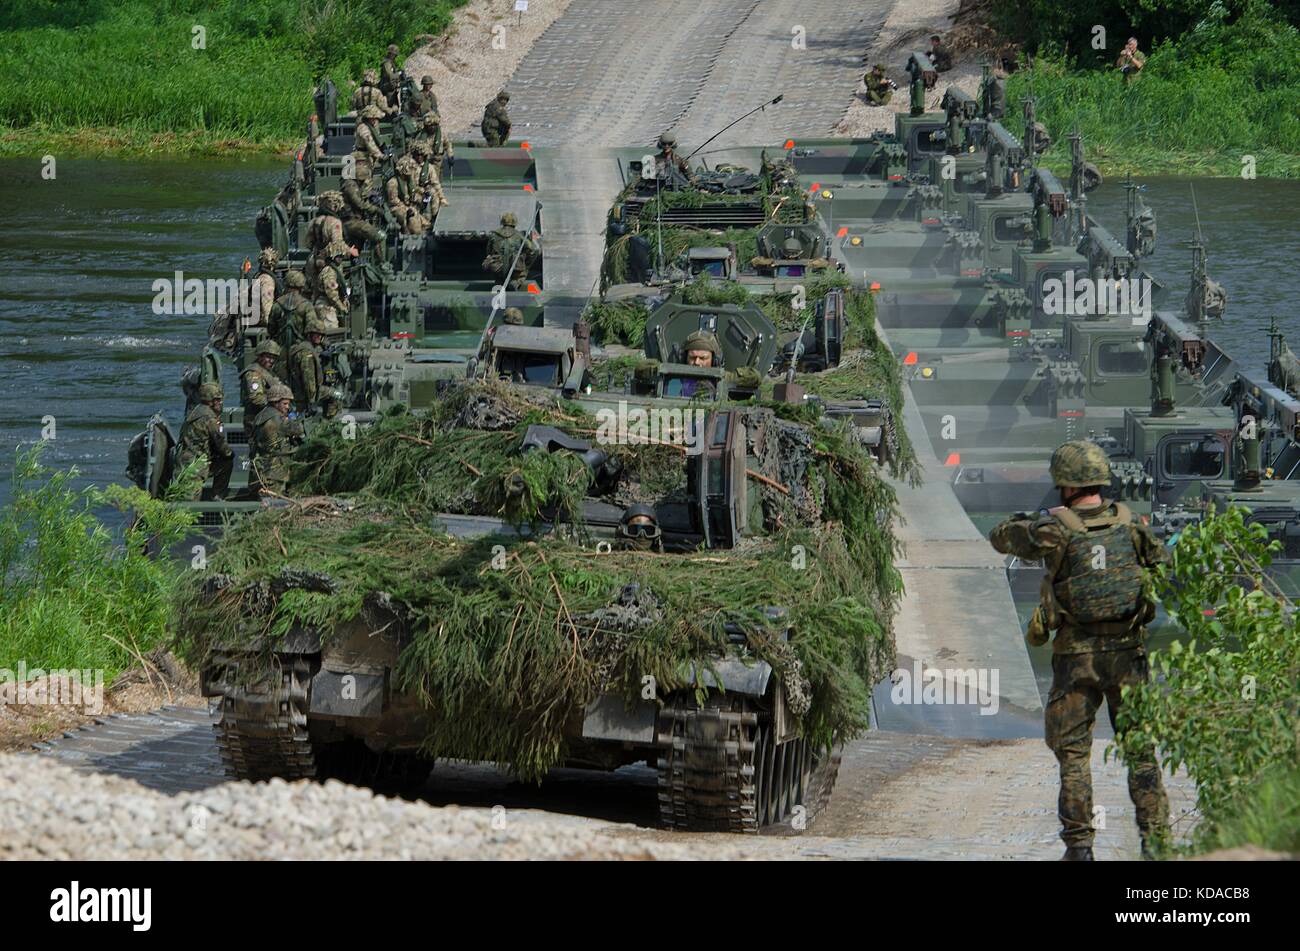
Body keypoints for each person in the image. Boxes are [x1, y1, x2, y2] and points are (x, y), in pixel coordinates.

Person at [989, 440, 1171, 861]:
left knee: (1073, 756)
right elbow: (1161, 564)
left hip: (1077, 659)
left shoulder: (1054, 529)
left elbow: (1000, 538)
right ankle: (1157, 846)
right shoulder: (1130, 524)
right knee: (1141, 750)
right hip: (1128, 655)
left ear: (1065, 484)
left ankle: (1080, 848)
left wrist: (1031, 522)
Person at [175, 382, 233, 500]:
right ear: (210, 400)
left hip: (184, 459)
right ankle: (217, 496)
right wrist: (229, 454)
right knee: (227, 461)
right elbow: (220, 442)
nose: (219, 403)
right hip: (196, 462)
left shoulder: (195, 411)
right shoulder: (209, 418)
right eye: (217, 400)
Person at [248, 383, 298, 496]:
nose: (287, 407)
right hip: (274, 472)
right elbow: (298, 430)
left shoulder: (261, 415)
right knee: (274, 504)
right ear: (275, 403)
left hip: (261, 469)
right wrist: (293, 418)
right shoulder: (278, 419)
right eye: (285, 404)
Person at [339, 162, 386, 258]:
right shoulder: (350, 186)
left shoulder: (356, 185)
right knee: (378, 236)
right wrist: (375, 209)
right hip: (351, 221)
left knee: (359, 245)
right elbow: (359, 204)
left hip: (356, 220)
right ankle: (381, 264)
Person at [268, 270, 317, 359]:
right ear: (302, 286)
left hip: (279, 352)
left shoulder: (277, 305)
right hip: (301, 351)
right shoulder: (306, 305)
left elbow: (271, 329)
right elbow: (312, 328)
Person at [483, 212, 537, 290]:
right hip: (515, 269)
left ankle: (499, 283)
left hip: (498, 269)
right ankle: (516, 282)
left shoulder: (494, 235)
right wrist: (525, 264)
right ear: (515, 222)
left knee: (498, 278)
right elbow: (533, 250)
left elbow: (488, 252)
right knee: (521, 274)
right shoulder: (519, 235)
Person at [289, 316, 329, 416]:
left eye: (321, 335)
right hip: (304, 394)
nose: (319, 337)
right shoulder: (307, 353)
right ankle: (327, 422)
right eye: (316, 334)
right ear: (309, 334)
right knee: (336, 396)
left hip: (303, 391)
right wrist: (312, 400)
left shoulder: (306, 348)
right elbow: (309, 379)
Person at [385, 154, 429, 235]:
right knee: (413, 223)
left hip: (408, 206)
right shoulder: (393, 183)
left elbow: (414, 190)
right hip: (397, 208)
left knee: (426, 224)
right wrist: (406, 208)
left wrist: (423, 195)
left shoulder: (407, 181)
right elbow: (393, 201)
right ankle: (407, 232)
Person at [313, 239, 352, 328]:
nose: (341, 258)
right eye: (338, 256)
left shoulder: (336, 270)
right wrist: (341, 307)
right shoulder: (330, 272)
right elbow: (331, 294)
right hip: (325, 306)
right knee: (332, 333)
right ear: (332, 257)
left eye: (342, 256)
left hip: (330, 305)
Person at [240, 339, 284, 414]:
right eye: (268, 357)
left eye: (273, 358)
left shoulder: (268, 371)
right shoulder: (253, 374)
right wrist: (276, 402)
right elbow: (256, 398)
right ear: (260, 356)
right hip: (256, 418)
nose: (271, 360)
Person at [353, 104, 386, 180]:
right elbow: (370, 144)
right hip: (362, 157)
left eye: (376, 118)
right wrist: (381, 155)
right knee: (365, 179)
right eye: (372, 118)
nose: (375, 120)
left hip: (369, 156)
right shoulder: (363, 128)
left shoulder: (373, 126)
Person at [248, 248, 279, 327]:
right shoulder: (267, 281)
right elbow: (267, 307)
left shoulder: (259, 275)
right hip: (260, 320)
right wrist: (270, 325)